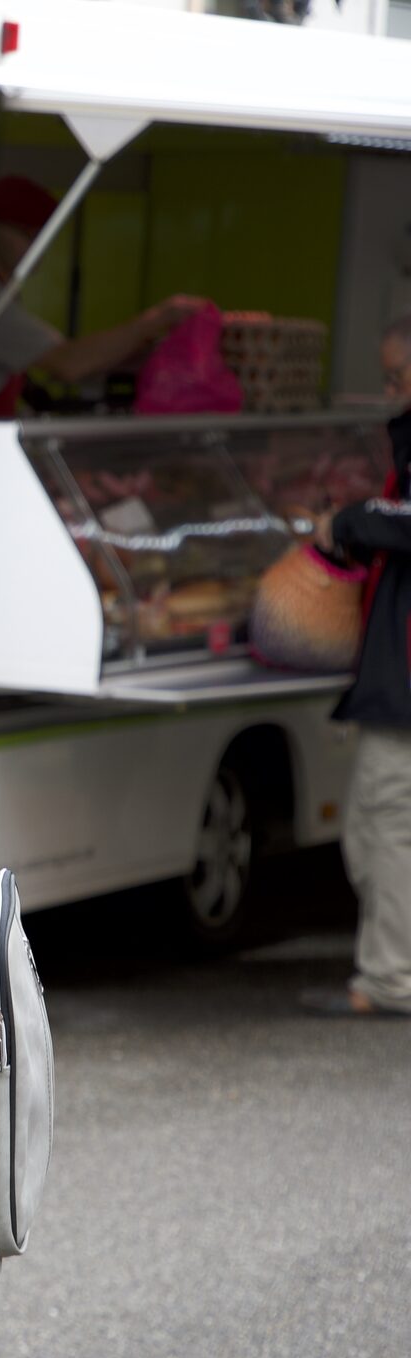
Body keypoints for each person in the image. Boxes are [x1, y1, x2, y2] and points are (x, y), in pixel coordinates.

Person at [304, 312, 411, 1018]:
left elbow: (400, 517)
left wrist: (346, 523)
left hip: (404, 680)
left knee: (382, 823)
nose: (390, 386)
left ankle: (388, 977)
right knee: (379, 824)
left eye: (399, 373)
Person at [0, 174, 208, 417]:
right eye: (29, 234)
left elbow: (65, 361)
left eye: (45, 235)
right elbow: (67, 362)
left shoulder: (1, 287)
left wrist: (147, 357)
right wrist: (161, 317)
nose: (40, 247)